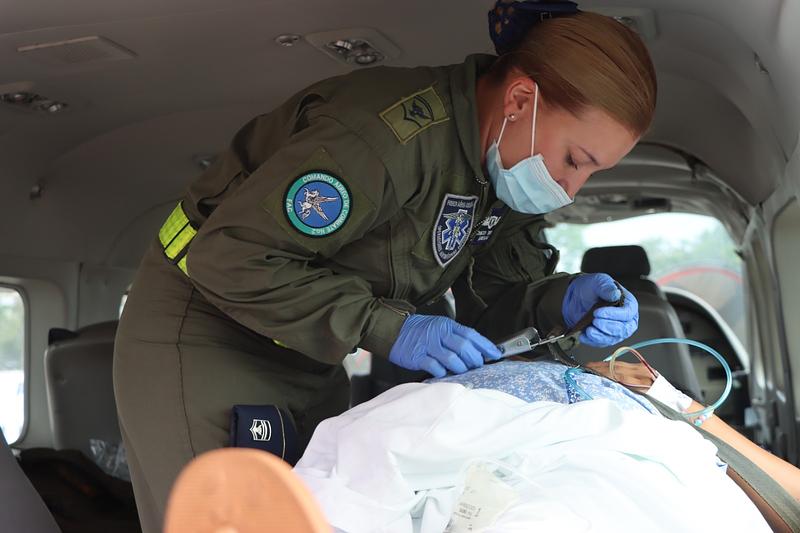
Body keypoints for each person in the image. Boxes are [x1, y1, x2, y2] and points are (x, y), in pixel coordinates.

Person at [113, 2, 657, 530]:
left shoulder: (502, 171)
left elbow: (489, 315)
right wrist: (389, 327)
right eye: (574, 160)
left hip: (307, 350)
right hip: (207, 332)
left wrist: (557, 304)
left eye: (591, 172)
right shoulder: (385, 139)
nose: (569, 189)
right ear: (520, 98)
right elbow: (232, 256)